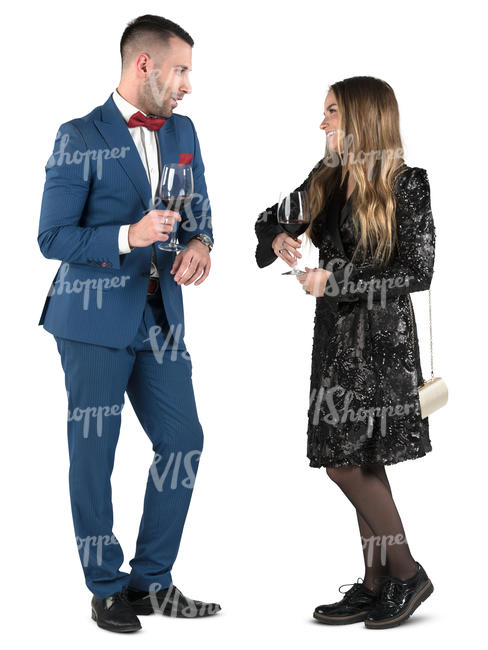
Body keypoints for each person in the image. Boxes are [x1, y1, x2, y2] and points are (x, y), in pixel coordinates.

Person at [38, 14, 220, 632]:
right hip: (90, 320)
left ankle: (152, 580)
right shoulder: (77, 135)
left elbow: (198, 210)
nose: (188, 85)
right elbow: (52, 236)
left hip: (160, 314)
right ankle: (105, 586)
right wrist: (127, 234)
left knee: (183, 441)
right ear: (144, 65)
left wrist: (201, 244)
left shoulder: (184, 130)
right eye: (181, 70)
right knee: (95, 452)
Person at [254, 76, 435, 630]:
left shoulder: (408, 184)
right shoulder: (324, 177)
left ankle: (406, 573)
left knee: (344, 463)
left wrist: (333, 281)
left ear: (362, 118)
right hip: (336, 342)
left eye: (331, 111)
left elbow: (418, 272)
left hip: (384, 344)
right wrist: (278, 237)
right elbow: (267, 220)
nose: (323, 122)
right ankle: (375, 583)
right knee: (359, 459)